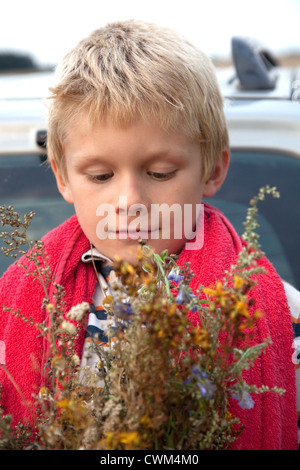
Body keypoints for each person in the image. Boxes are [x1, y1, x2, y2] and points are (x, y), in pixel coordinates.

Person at [0, 20, 298, 450]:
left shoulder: (275, 317)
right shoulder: (18, 307)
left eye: (160, 173)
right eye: (101, 175)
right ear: (63, 178)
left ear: (213, 170)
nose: (129, 200)